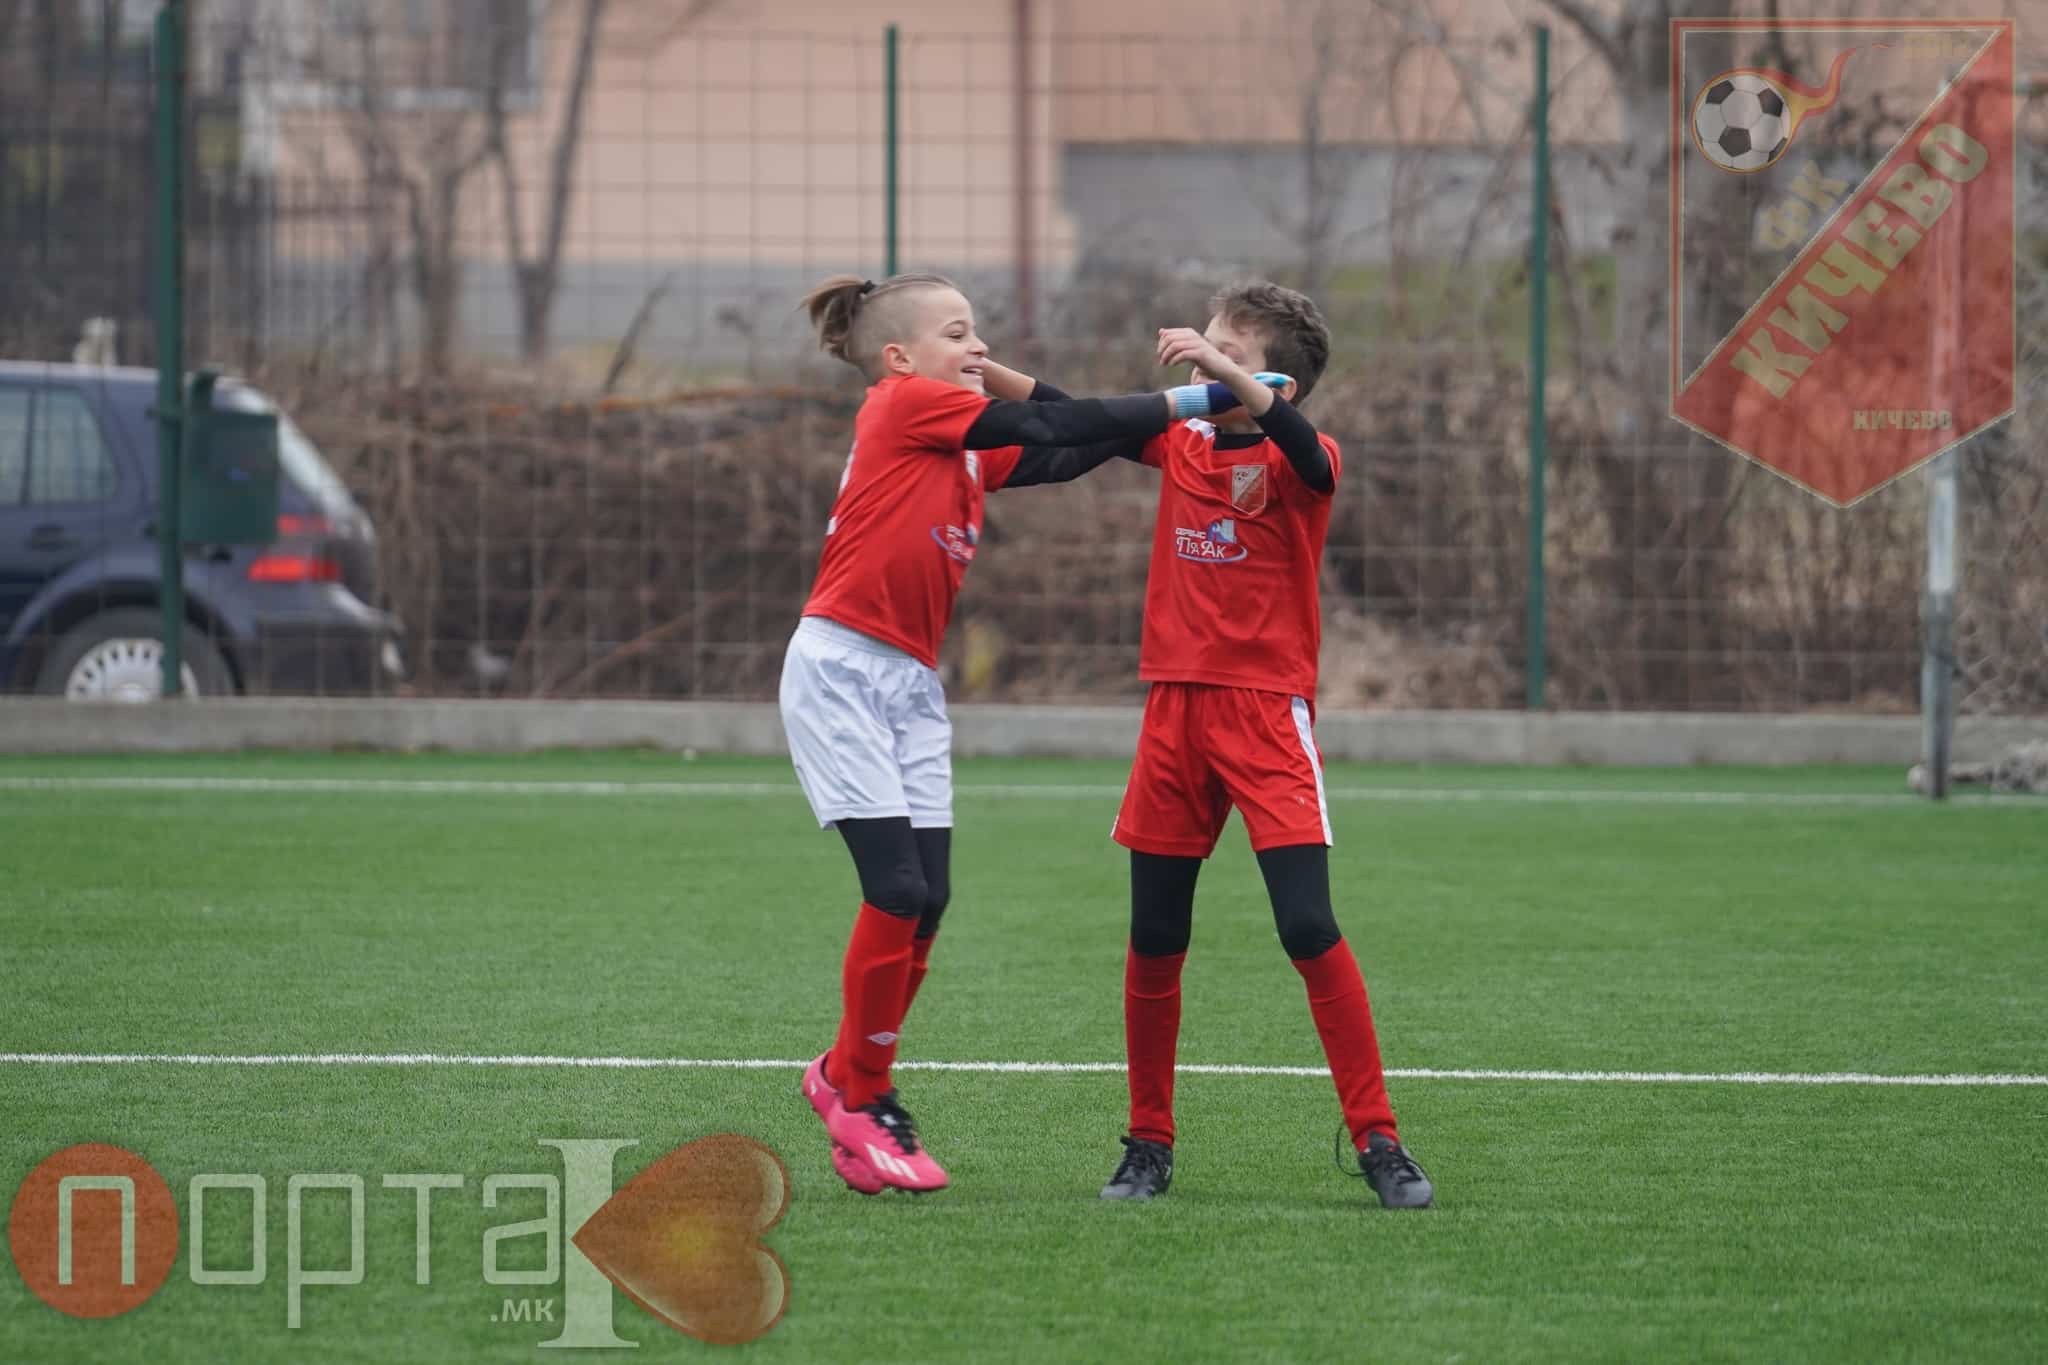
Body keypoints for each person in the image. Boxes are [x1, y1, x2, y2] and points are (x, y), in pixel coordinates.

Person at [786, 271, 1259, 1195]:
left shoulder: (957, 436)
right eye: (959, 333)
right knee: (895, 889)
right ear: (899, 358)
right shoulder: (903, 405)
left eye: (979, 332)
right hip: (841, 669)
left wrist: (1235, 403)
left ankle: (844, 1074)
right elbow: (1047, 425)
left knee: (929, 899)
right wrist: (1204, 398)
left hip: (908, 683)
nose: (977, 347)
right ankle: (864, 1095)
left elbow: (1069, 444)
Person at [1012, 281, 1434, 1208]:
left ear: (1275, 379)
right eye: (1202, 341)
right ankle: (1148, 1143)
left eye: (1224, 349)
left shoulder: (1306, 456)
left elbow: (1295, 442)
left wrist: (1222, 373)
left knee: (1307, 926)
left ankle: (1379, 1140)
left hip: (1265, 716)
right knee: (1156, 935)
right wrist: (980, 373)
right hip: (1174, 714)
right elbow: (1071, 413)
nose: (1198, 356)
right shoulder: (1183, 441)